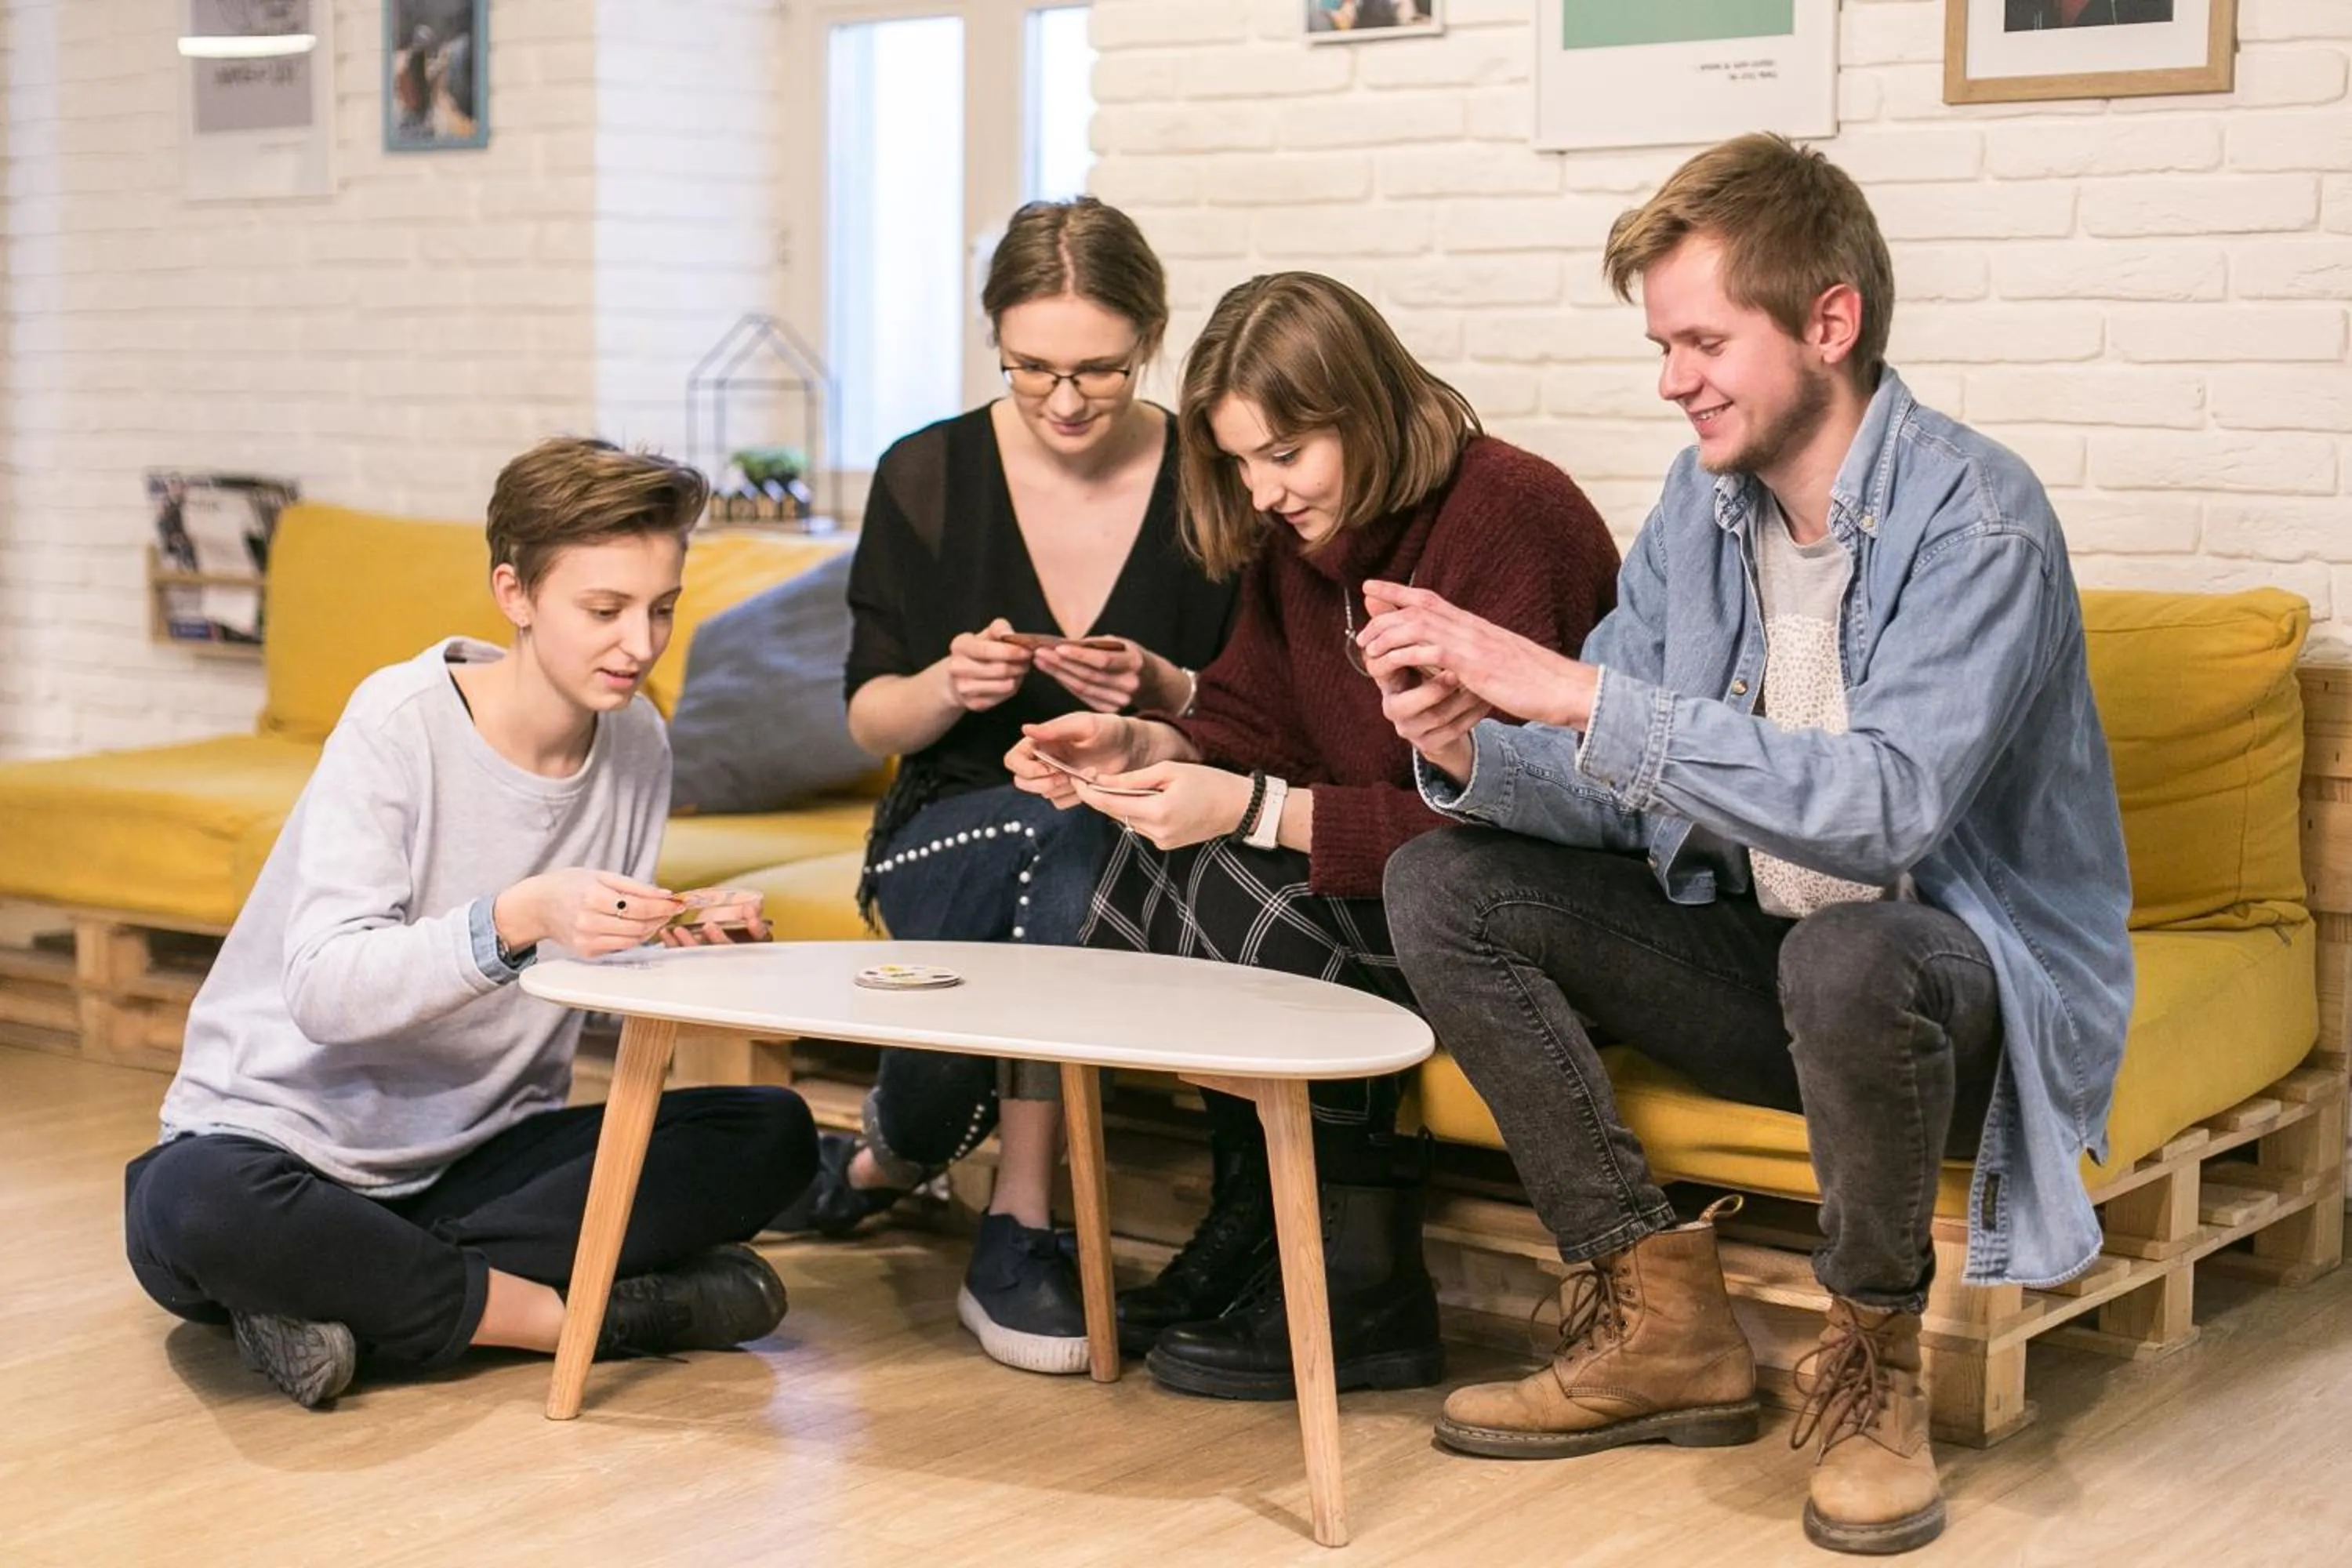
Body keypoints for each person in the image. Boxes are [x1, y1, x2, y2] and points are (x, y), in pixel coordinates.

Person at [1371, 134, 2131, 1556]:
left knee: (1852, 951)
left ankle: (1873, 1365)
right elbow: (1625, 792)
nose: (1673, 378)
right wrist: (1477, 740)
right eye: (1663, 344)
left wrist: (1583, 692)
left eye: (1705, 339)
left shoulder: (1978, 519)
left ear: (1828, 323)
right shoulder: (1696, 514)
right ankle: (1654, 1318)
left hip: (1955, 1000)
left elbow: (1892, 806)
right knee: (1445, 877)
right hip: (1771, 967)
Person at [1009, 270, 1621, 1396]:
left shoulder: (1508, 515)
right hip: (1410, 885)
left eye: (1285, 454)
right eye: (1242, 462)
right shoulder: (1306, 542)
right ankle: (1259, 1230)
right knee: (1136, 854)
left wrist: (1246, 806)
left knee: (1243, 889)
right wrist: (1143, 747)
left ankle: (1366, 1284)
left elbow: (1521, 823)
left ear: (1365, 406)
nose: (1262, 492)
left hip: (1529, 913)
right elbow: (1255, 720)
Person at [123, 437, 818, 1409]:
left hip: (475, 1157)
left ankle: (340, 1296)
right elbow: (326, 989)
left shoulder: (637, 742)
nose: (640, 643)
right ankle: (586, 1321)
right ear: (516, 592)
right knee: (189, 1208)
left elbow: (576, 984)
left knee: (774, 1135)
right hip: (279, 1147)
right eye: (604, 609)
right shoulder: (398, 722)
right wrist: (518, 916)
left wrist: (672, 946)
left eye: (660, 607)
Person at [773, 196, 1236, 1377]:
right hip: (946, 828)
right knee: (1053, 833)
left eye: (1101, 371)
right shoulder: (926, 472)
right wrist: (948, 684)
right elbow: (870, 713)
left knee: (1076, 832)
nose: (1068, 402)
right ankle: (1020, 1221)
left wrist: (1163, 685)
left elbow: (1249, 702)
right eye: (1032, 370)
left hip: (1149, 828)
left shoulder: (1208, 476)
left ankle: (890, 1157)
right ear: (995, 344)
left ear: (1153, 338)